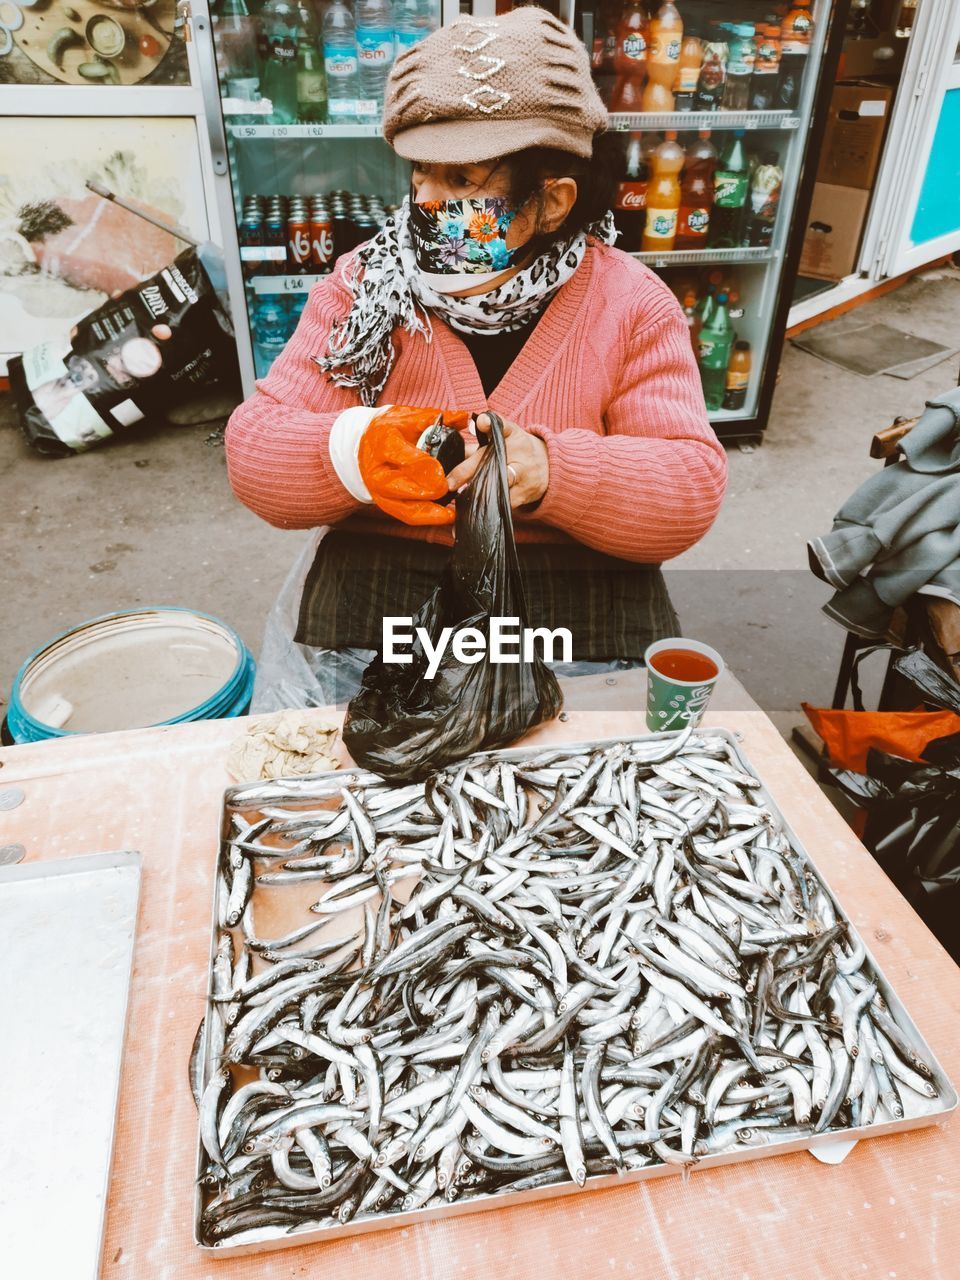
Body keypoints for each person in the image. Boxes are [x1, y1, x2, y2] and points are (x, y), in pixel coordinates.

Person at [226, 6, 727, 710]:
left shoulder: (632, 304)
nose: (425, 201)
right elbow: (256, 453)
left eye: (461, 181)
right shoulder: (364, 286)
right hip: (382, 581)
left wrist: (552, 470)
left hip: (570, 584)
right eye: (420, 173)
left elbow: (688, 487)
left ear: (551, 202)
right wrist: (354, 451)